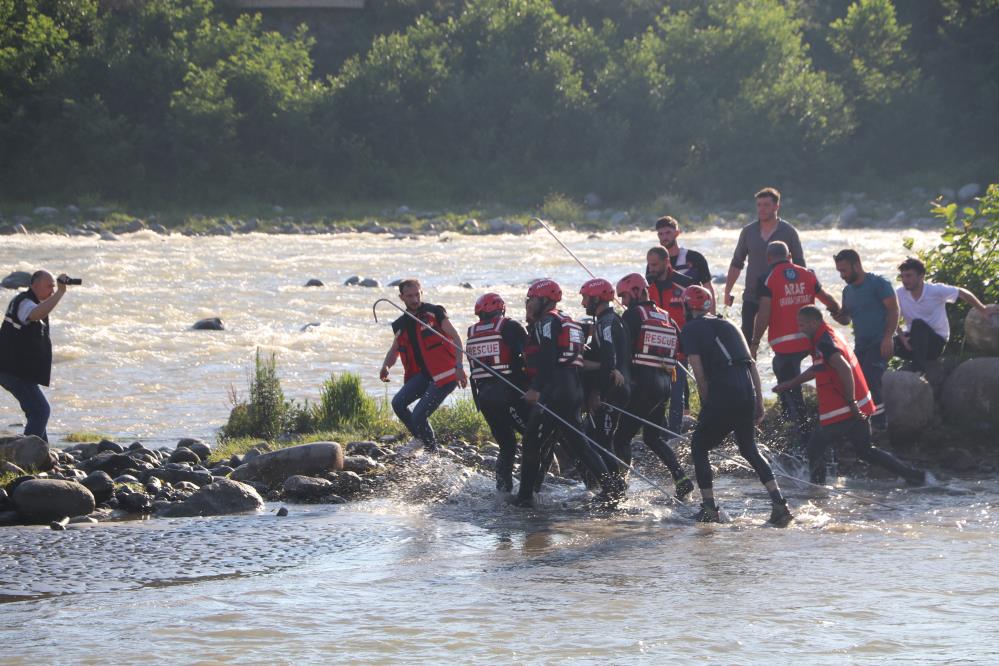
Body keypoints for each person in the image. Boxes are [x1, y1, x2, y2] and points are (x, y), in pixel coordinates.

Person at [774, 306, 926, 486]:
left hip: (845, 406)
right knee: (865, 451)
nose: (800, 329)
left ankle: (816, 489)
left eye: (802, 325)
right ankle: (914, 475)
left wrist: (852, 403)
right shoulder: (829, 334)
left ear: (814, 323)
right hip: (858, 403)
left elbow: (844, 368)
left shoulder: (824, 342)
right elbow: (820, 367)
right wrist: (791, 383)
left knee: (815, 445)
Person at [680, 285, 792, 526]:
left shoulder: (690, 329)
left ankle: (709, 508)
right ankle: (779, 503)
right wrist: (758, 402)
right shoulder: (729, 325)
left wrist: (706, 406)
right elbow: (750, 365)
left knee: (699, 446)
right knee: (749, 448)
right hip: (746, 392)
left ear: (687, 307)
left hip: (723, 392)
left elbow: (699, 373)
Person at [516, 279, 615, 507]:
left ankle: (524, 497)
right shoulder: (569, 322)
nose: (529, 303)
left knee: (531, 442)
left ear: (543, 300)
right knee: (579, 444)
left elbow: (549, 359)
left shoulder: (547, 322)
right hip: (573, 388)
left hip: (556, 389)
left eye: (531, 299)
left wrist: (535, 389)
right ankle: (612, 489)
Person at [750, 241, 840, 450]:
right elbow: (825, 298)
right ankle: (818, 420)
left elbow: (764, 313)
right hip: (811, 338)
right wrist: (838, 310)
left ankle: (798, 431)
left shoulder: (767, 279)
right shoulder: (807, 274)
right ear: (789, 256)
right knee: (821, 373)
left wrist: (755, 342)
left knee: (789, 387)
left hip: (785, 345)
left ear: (769, 258)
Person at [613, 273, 694, 499]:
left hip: (643, 387)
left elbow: (623, 350)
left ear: (638, 291)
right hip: (664, 386)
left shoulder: (632, 315)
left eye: (625, 296)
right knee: (652, 437)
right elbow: (681, 347)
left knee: (621, 438)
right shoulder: (667, 316)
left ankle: (620, 487)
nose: (623, 301)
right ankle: (681, 477)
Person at [379, 279, 467, 454]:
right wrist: (386, 366)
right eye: (410, 296)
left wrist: (459, 366)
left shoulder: (435, 313)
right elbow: (394, 350)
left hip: (446, 375)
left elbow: (456, 338)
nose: (414, 299)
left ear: (421, 293)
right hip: (425, 376)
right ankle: (421, 439)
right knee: (398, 403)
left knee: (419, 414)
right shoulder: (400, 324)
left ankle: (432, 454)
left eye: (417, 294)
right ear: (401, 297)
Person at [466, 292, 531, 492]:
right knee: (532, 438)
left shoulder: (471, 332)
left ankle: (502, 492)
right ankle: (533, 489)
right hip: (509, 396)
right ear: (501, 309)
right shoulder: (509, 326)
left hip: (485, 399)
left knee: (507, 445)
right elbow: (529, 355)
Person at [894, 257, 998, 380]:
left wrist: (982, 309)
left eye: (909, 276)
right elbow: (891, 315)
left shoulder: (935, 290)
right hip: (914, 342)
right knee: (888, 342)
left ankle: (919, 370)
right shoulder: (899, 293)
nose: (905, 280)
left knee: (918, 324)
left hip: (936, 343)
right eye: (903, 276)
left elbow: (962, 292)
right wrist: (902, 337)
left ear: (921, 276)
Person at [724, 187, 806, 342]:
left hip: (780, 296)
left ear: (776, 206)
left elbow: (800, 265)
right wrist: (727, 291)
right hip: (752, 294)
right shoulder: (748, 231)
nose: (761, 209)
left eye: (766, 205)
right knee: (746, 339)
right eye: (759, 205)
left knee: (783, 339)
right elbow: (737, 263)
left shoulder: (789, 232)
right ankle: (750, 366)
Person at [0, 270, 73, 442]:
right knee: (41, 410)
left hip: (18, 370)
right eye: (49, 286)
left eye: (54, 287)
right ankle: (27, 455)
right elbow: (35, 314)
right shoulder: (24, 302)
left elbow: (39, 311)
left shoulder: (31, 302)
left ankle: (42, 454)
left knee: (35, 411)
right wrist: (62, 292)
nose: (52, 291)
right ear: (34, 285)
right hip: (12, 370)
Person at [831, 249, 898, 430]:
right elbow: (846, 320)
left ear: (856, 265)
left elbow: (893, 310)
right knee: (854, 381)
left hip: (880, 342)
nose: (842, 275)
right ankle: (862, 420)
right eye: (839, 271)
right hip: (861, 344)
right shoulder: (847, 291)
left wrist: (888, 338)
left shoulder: (878, 283)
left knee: (869, 375)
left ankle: (879, 424)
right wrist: (838, 317)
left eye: (844, 270)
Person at [579, 278, 630, 493]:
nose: (583, 303)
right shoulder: (607, 321)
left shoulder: (607, 322)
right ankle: (605, 486)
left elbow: (609, 360)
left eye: (585, 298)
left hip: (612, 391)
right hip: (610, 389)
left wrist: (597, 392)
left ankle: (617, 490)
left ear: (597, 298)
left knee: (602, 441)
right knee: (592, 437)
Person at [646, 246, 695, 433]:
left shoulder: (685, 284)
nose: (651, 268)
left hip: (679, 350)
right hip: (653, 349)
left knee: (677, 394)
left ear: (667, 262)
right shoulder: (646, 285)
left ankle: (674, 434)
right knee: (655, 394)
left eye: (654, 264)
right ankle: (657, 431)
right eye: (649, 264)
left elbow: (695, 316)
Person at [655, 215, 716, 312]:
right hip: (666, 317)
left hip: (693, 314)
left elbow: (708, 288)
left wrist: (712, 317)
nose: (664, 237)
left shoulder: (696, 258)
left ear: (677, 233)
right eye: (661, 234)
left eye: (668, 233)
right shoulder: (655, 263)